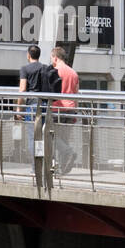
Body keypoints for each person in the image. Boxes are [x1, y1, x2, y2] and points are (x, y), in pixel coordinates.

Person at [49, 46, 80, 175]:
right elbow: (76, 93)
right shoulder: (73, 73)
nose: (51, 61)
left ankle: (67, 153)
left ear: (55, 58)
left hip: (57, 109)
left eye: (51, 58)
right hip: (71, 109)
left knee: (51, 136)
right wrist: (76, 111)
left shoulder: (54, 72)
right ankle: (62, 169)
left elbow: (49, 92)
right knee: (64, 139)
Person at [16, 45, 48, 122]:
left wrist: (18, 108)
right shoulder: (45, 68)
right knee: (43, 132)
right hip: (44, 104)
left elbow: (22, 89)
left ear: (29, 55)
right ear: (39, 56)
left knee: (31, 132)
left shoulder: (25, 69)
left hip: (32, 105)